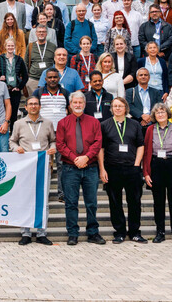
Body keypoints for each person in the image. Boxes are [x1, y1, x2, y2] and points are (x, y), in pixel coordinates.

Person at [55, 92, 105, 245]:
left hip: (90, 168)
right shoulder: (62, 123)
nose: (77, 105)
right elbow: (60, 145)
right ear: (70, 105)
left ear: (84, 104)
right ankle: (72, 233)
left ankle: (93, 233)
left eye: (80, 102)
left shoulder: (94, 122)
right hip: (70, 168)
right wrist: (74, 158)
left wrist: (86, 157)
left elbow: (98, 142)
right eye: (75, 102)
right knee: (71, 203)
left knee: (91, 202)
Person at [10, 95, 56, 246]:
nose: (33, 106)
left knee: (43, 200)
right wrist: (16, 148)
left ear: (40, 106)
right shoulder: (19, 124)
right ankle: (26, 233)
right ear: (26, 107)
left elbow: (53, 141)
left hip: (43, 167)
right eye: (30, 104)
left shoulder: (48, 123)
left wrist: (53, 148)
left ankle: (42, 233)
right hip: (26, 168)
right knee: (25, 199)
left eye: (36, 104)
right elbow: (12, 141)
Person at [99, 97, 146, 244]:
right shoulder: (104, 125)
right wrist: (102, 169)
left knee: (135, 201)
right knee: (115, 202)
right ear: (111, 109)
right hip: (112, 168)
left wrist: (137, 165)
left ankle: (134, 232)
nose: (118, 108)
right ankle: (119, 232)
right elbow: (101, 148)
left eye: (120, 106)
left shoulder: (135, 124)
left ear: (126, 108)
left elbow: (141, 145)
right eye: (115, 106)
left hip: (132, 168)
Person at [143, 103, 172, 243]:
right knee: (158, 202)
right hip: (156, 166)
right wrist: (146, 173)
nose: (160, 114)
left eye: (163, 112)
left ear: (167, 114)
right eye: (158, 112)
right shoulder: (150, 129)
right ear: (154, 116)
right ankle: (160, 232)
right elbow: (146, 152)